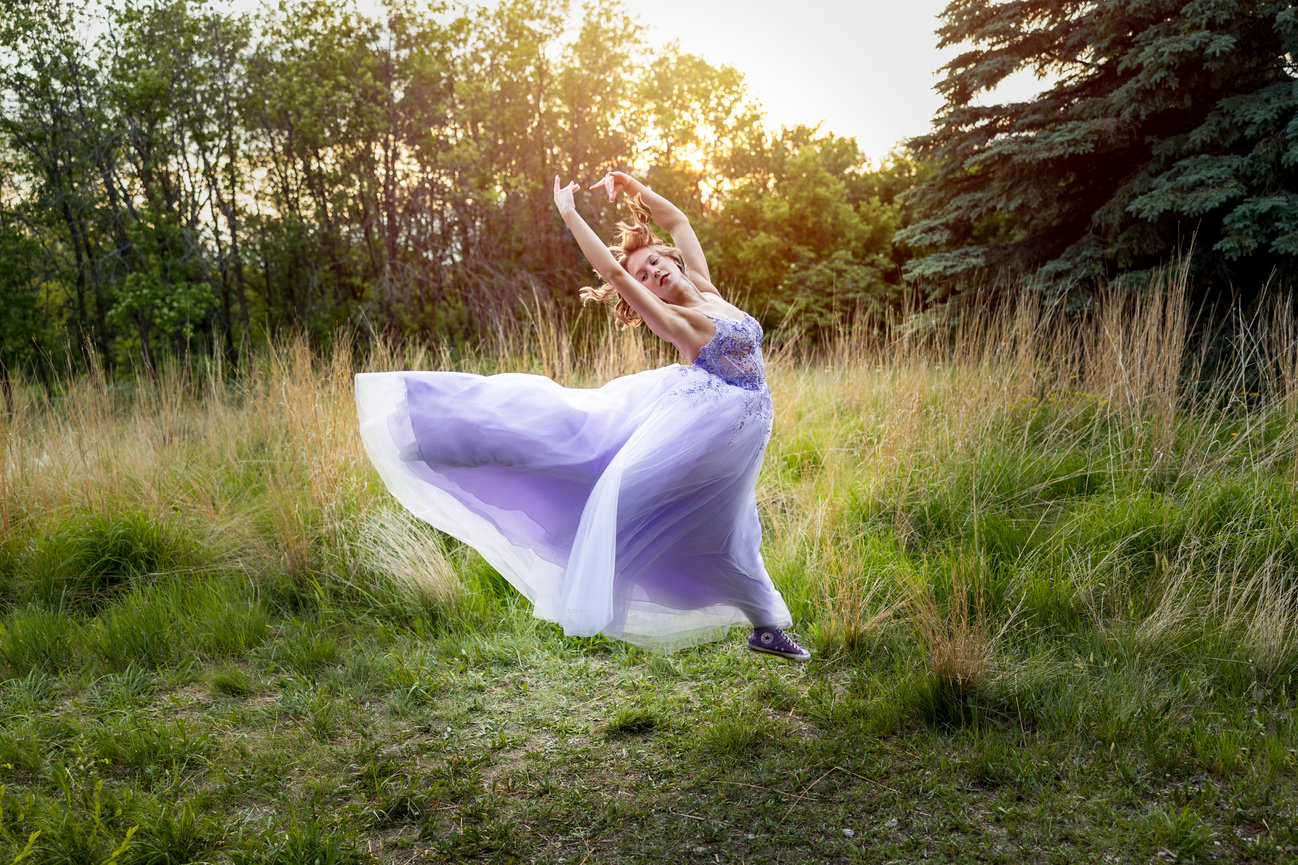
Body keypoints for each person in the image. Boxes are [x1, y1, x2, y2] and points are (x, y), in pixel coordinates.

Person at [354, 170, 809, 660]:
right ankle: (438, 429)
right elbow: (613, 276)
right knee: (576, 440)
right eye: (644, 275)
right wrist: (570, 215)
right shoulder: (679, 321)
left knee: (730, 531)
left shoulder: (706, 289)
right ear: (646, 296)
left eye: (655, 260)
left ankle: (765, 626)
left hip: (737, 433)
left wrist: (635, 189)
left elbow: (676, 220)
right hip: (705, 427)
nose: (654, 271)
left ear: (671, 259)